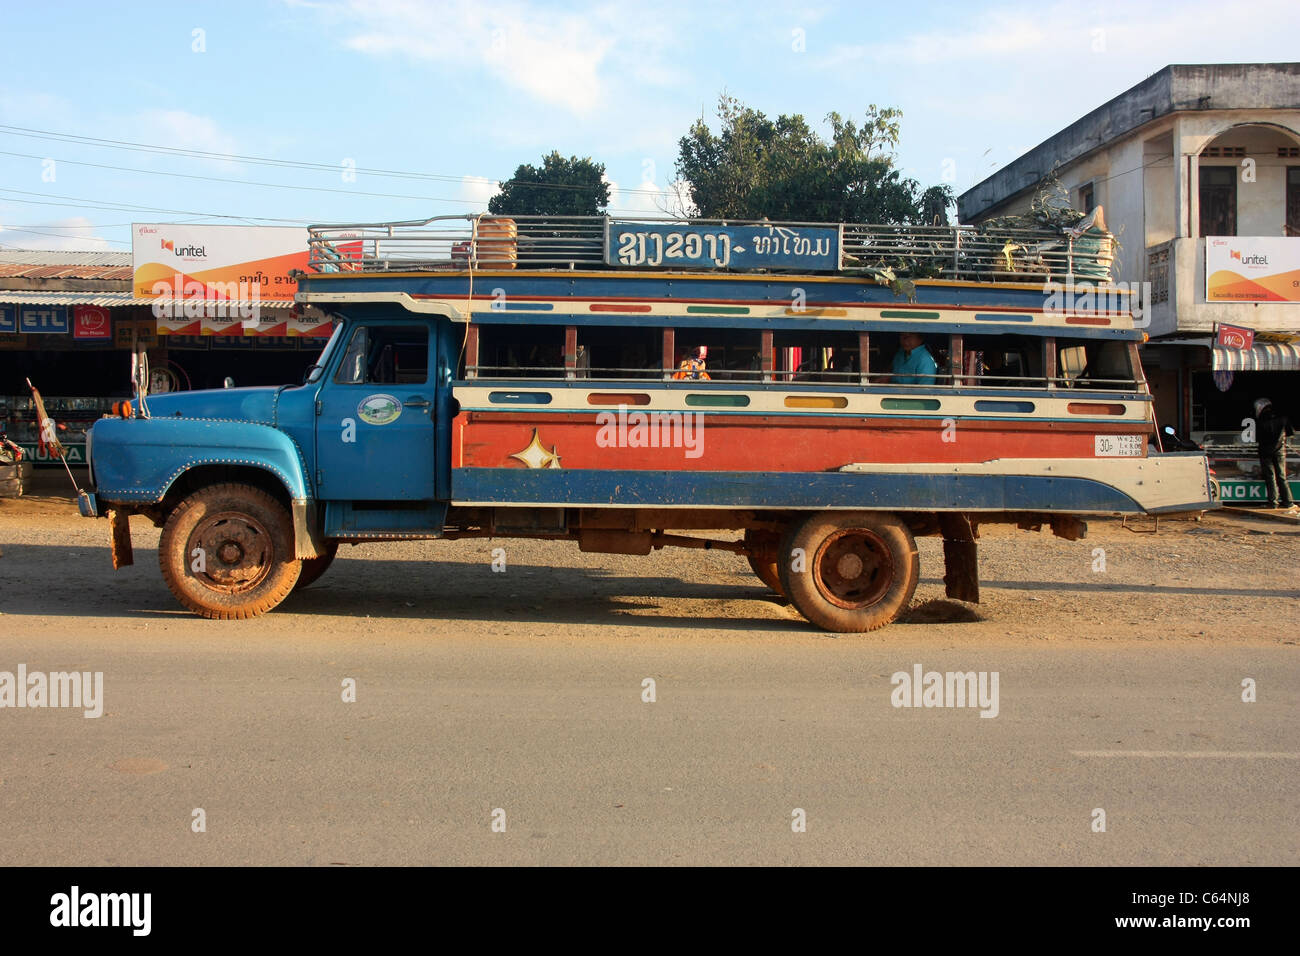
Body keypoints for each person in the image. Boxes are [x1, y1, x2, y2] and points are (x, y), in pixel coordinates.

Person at [1254, 398, 1296, 510]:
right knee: (1282, 476)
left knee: (1270, 477)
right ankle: (1288, 502)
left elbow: (1257, 438)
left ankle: (1273, 503)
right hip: (1280, 451)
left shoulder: (1260, 420)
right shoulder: (1283, 418)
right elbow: (1291, 433)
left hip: (1265, 452)